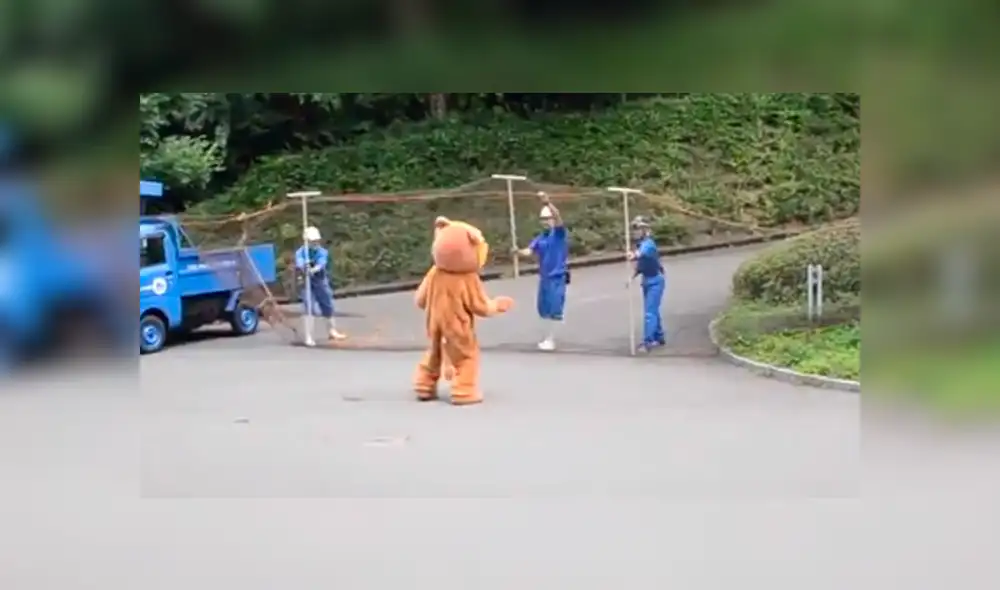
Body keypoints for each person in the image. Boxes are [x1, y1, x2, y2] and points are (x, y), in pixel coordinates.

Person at [513, 191, 570, 351]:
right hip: (544, 277)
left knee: (554, 309)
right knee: (543, 309)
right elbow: (530, 251)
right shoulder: (540, 237)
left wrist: (547, 203)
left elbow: (558, 217)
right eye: (543, 219)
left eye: (548, 219)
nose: (546, 222)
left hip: (557, 276)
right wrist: (517, 252)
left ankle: (551, 339)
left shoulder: (558, 234)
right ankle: (547, 337)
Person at [295, 226, 346, 343]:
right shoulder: (301, 253)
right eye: (312, 241)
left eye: (317, 241)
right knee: (309, 308)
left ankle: (332, 331)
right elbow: (299, 263)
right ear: (306, 241)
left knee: (327, 304)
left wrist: (314, 269)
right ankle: (309, 336)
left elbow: (321, 263)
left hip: (320, 279)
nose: (315, 243)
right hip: (306, 281)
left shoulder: (322, 251)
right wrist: (304, 266)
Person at [626, 215, 665, 352]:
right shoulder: (639, 244)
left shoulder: (649, 244)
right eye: (634, 229)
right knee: (653, 309)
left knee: (649, 312)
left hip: (656, 280)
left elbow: (642, 253)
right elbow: (641, 266)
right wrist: (631, 277)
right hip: (647, 280)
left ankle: (648, 341)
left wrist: (633, 255)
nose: (636, 231)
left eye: (639, 228)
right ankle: (659, 336)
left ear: (645, 230)